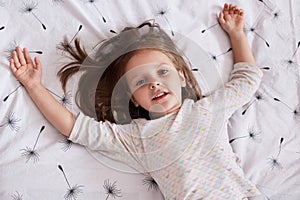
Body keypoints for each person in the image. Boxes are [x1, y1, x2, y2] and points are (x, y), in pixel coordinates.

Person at [10, 3, 263, 199]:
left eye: (163, 72)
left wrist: (237, 34)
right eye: (140, 82)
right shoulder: (139, 138)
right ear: (133, 98)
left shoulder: (209, 109)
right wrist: (34, 86)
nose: (154, 84)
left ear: (183, 77)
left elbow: (247, 79)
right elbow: (75, 128)